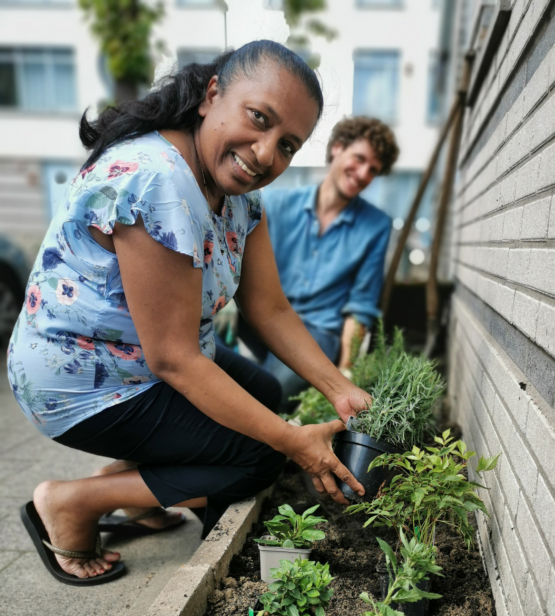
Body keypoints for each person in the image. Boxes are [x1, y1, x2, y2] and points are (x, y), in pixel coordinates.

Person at [7, 40, 371, 586]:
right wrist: (292, 441)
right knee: (258, 457)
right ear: (212, 94)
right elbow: (175, 359)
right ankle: (72, 503)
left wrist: (337, 387)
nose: (267, 153)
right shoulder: (160, 181)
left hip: (140, 356)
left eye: (288, 144)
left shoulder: (241, 194)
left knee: (267, 398)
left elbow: (267, 307)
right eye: (258, 118)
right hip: (79, 377)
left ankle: (139, 487)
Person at [239, 115, 399, 411]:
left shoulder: (376, 226)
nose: (363, 173)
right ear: (338, 148)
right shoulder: (273, 203)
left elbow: (360, 307)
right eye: (359, 158)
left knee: (269, 396)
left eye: (373, 170)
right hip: (258, 322)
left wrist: (347, 371)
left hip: (318, 333)